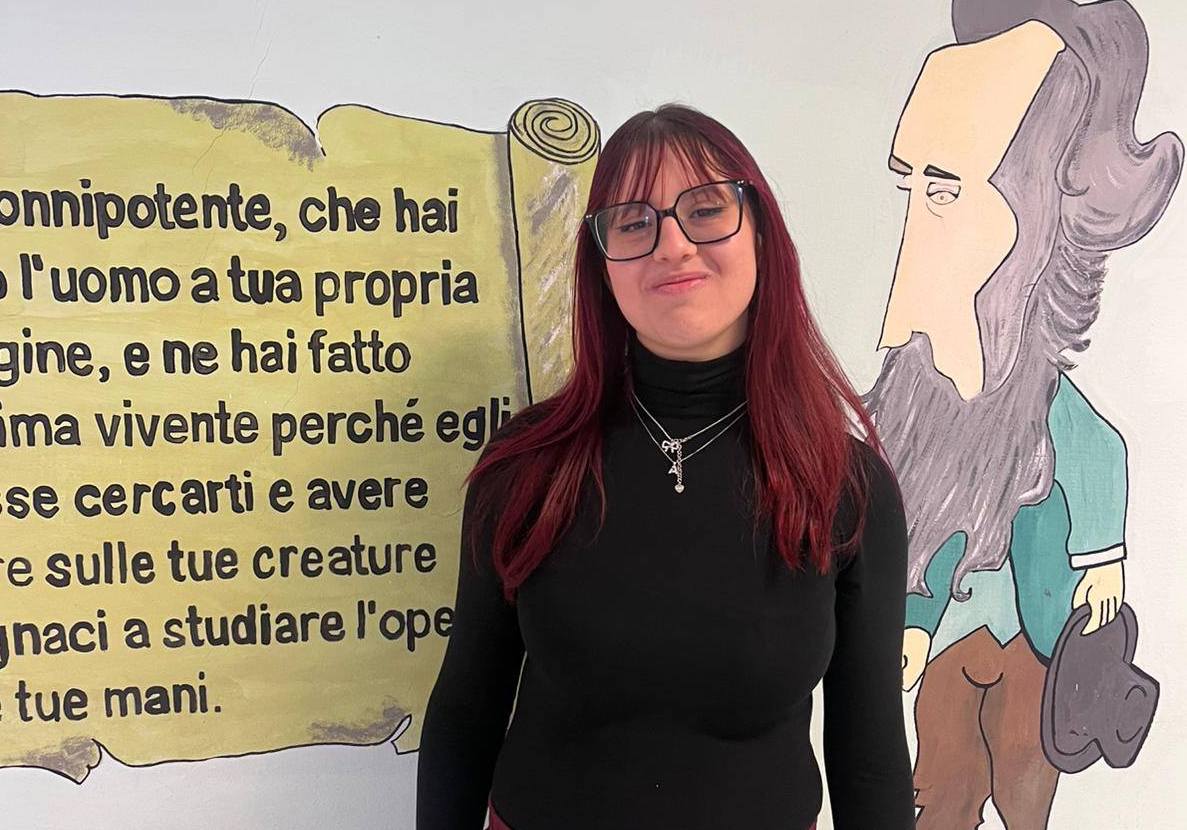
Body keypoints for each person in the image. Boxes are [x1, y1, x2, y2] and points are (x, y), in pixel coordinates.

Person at [416, 103, 915, 830]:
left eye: (705, 210)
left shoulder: (846, 485)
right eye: (632, 223)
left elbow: (868, 754)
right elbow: (466, 710)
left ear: (761, 233)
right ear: (602, 265)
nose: (673, 245)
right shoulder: (525, 467)